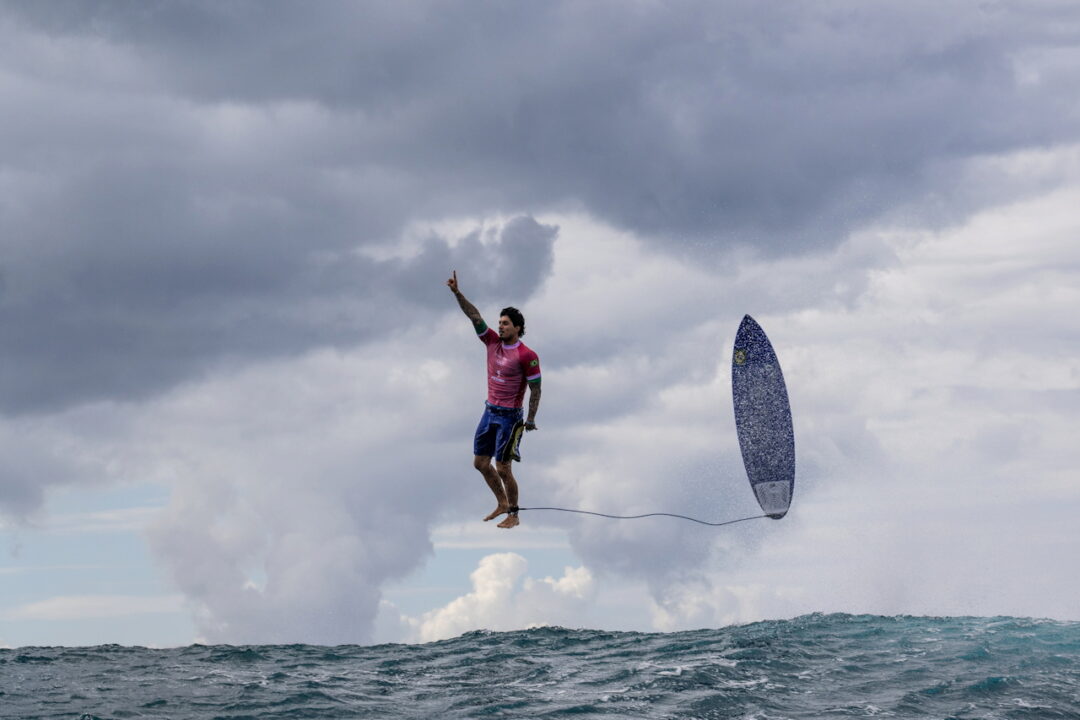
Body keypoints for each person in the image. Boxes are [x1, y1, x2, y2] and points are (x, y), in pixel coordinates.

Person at [446, 270, 541, 529]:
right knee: (480, 463)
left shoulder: (526, 355)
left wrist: (530, 419)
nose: (500, 327)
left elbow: (536, 389)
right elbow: (474, 316)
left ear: (518, 328)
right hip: (489, 411)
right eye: (499, 323)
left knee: (503, 467)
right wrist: (457, 293)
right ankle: (501, 502)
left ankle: (514, 513)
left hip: (510, 417)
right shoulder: (491, 342)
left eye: (506, 324)